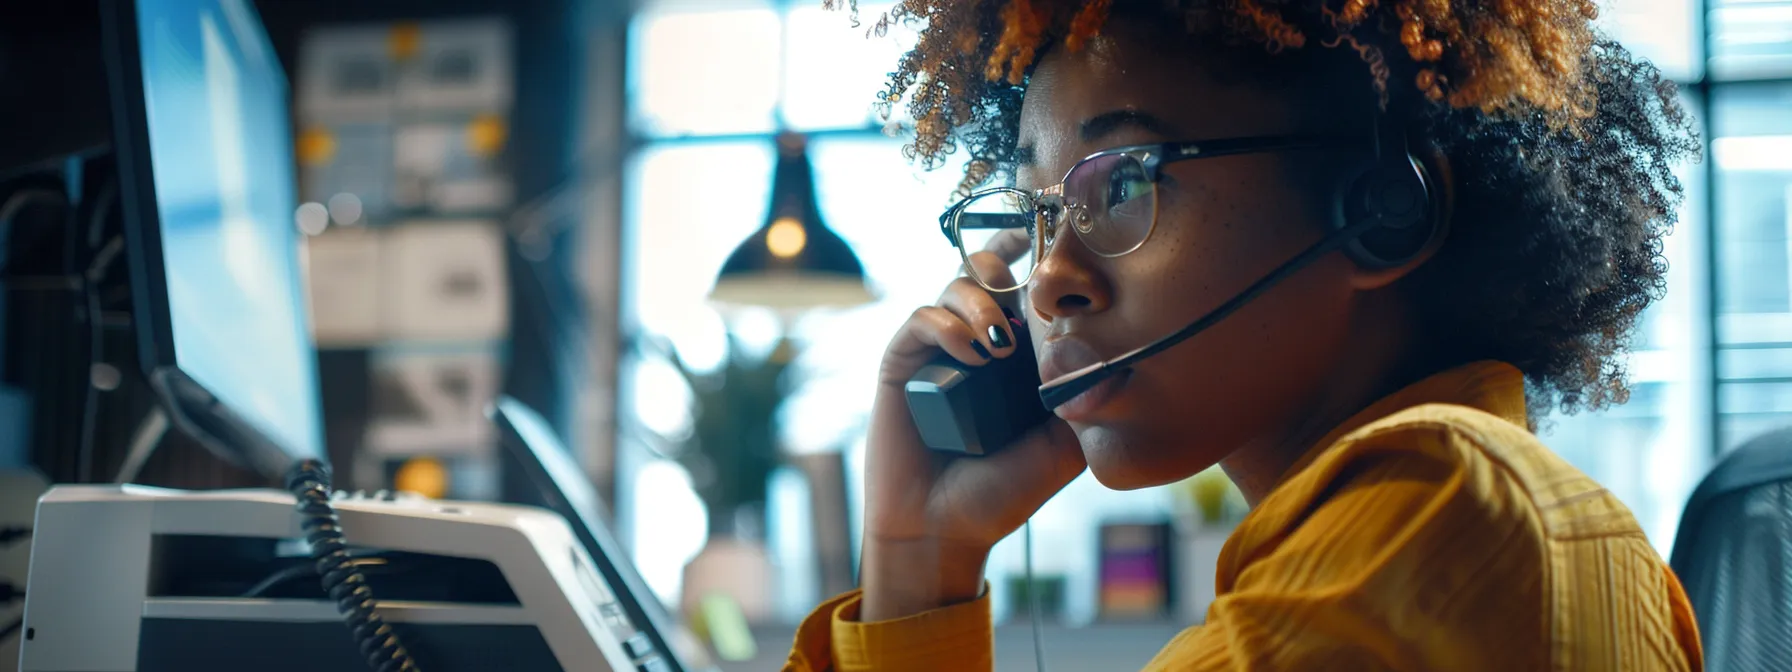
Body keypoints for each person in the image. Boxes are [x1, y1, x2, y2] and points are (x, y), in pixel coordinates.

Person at [785, 0, 1703, 669]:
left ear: (1382, 209)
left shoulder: (1447, 513)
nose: (1049, 280)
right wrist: (921, 560)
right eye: (1038, 213)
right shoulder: (1402, 527)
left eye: (1125, 184)